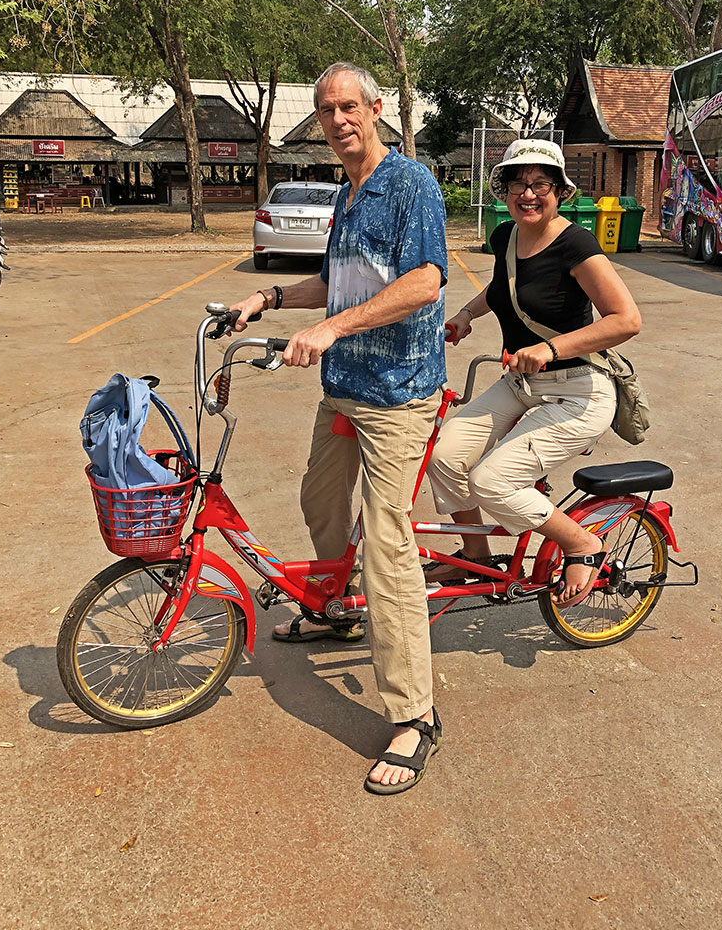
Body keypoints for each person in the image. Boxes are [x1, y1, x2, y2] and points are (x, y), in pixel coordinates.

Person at [228, 62, 447, 795]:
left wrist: (332, 329)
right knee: (319, 501)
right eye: (327, 110)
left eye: (349, 106)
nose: (339, 119)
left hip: (398, 395)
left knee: (387, 543)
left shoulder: (409, 183)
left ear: (376, 109)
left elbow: (424, 282)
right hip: (345, 389)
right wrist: (267, 298)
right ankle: (335, 609)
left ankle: (415, 715)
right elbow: (335, 282)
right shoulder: (346, 195)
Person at [426, 138, 641, 604]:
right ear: (503, 190)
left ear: (559, 191)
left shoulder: (576, 244)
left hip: (578, 392)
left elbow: (626, 320)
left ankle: (582, 544)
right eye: (517, 184)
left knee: (492, 480)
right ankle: (477, 556)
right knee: (444, 455)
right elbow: (502, 287)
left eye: (541, 184)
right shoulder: (506, 236)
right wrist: (465, 314)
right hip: (522, 383)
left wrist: (550, 348)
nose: (528, 194)